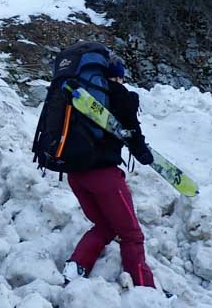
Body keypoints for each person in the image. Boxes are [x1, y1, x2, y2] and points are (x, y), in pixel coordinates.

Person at [62, 57, 157, 288]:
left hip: (75, 174)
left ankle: (76, 267)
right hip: (104, 177)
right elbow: (133, 134)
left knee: (105, 226)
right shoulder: (121, 95)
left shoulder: (78, 94)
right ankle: (145, 287)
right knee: (131, 234)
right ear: (119, 76)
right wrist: (144, 154)